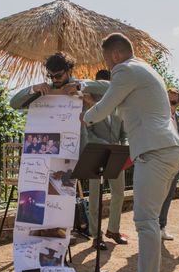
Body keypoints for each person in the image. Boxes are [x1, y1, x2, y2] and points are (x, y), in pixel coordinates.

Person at [81, 33, 179, 272]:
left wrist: (84, 115)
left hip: (155, 151)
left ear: (114, 55)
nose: (106, 64)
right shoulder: (146, 68)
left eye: (105, 59)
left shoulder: (124, 70)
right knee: (148, 221)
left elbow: (105, 106)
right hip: (165, 148)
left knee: (145, 222)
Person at [10, 52, 108, 248]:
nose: (54, 80)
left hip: (79, 150)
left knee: (96, 187)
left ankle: (97, 236)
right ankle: (56, 234)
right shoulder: (43, 90)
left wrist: (82, 86)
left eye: (59, 75)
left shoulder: (80, 85)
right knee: (53, 195)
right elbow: (14, 103)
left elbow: (109, 87)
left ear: (69, 71)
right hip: (50, 154)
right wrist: (33, 89)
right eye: (51, 76)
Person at [85, 69, 128, 249]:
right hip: (96, 155)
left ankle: (113, 230)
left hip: (116, 155)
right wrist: (106, 145)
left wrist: (124, 144)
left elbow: (125, 132)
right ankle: (96, 235)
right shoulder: (88, 104)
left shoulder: (119, 105)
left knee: (119, 193)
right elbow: (87, 133)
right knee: (95, 197)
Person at [158, 87, 179, 241]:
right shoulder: (158, 116)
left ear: (177, 103)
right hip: (159, 162)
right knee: (156, 196)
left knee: (168, 197)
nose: (169, 104)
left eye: (173, 102)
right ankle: (151, 228)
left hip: (176, 163)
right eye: (167, 100)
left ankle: (162, 227)